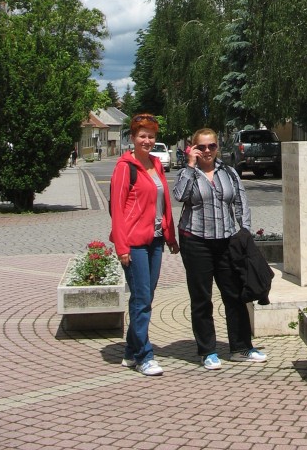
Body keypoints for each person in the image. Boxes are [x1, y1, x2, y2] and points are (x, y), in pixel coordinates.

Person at [174, 127, 267, 369]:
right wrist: (190, 166)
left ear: (218, 148)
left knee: (234, 294)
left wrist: (244, 231)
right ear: (193, 148)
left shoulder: (228, 172)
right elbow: (179, 195)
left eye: (211, 146)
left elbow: (240, 201)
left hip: (226, 240)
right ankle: (207, 350)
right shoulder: (188, 173)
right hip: (195, 240)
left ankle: (241, 347)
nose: (207, 151)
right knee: (202, 297)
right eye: (201, 147)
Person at [109, 113, 179, 376]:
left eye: (151, 136)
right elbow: (117, 210)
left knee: (145, 297)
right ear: (133, 138)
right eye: (142, 136)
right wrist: (122, 247)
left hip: (156, 239)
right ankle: (143, 355)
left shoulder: (156, 164)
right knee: (141, 300)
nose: (147, 140)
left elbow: (164, 203)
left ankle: (130, 350)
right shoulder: (124, 168)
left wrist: (170, 236)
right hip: (134, 243)